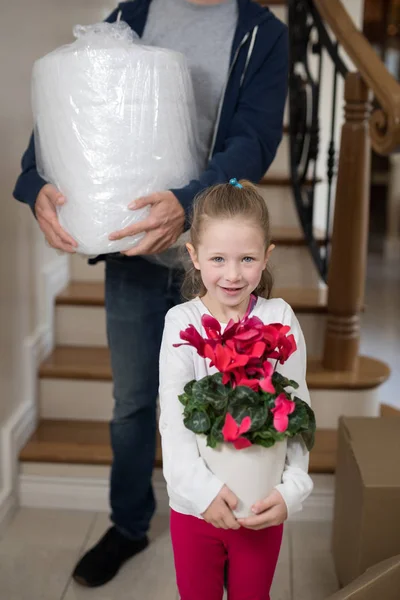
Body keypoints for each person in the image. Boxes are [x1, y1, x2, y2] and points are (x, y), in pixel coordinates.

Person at [13, 0, 289, 588]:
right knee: (134, 403)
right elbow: (67, 115)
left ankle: (231, 516)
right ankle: (129, 523)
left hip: (219, 267)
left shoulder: (260, 33)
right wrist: (34, 181)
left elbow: (253, 140)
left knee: (228, 403)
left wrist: (191, 201)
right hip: (136, 260)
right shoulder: (131, 14)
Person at [159, 180, 313, 600]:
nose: (232, 274)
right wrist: (203, 493)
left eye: (247, 258)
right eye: (218, 258)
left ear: (267, 256)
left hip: (261, 504)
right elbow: (174, 423)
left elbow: (297, 411)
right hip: (195, 508)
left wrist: (292, 489)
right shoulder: (182, 322)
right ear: (193, 257)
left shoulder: (278, 316)